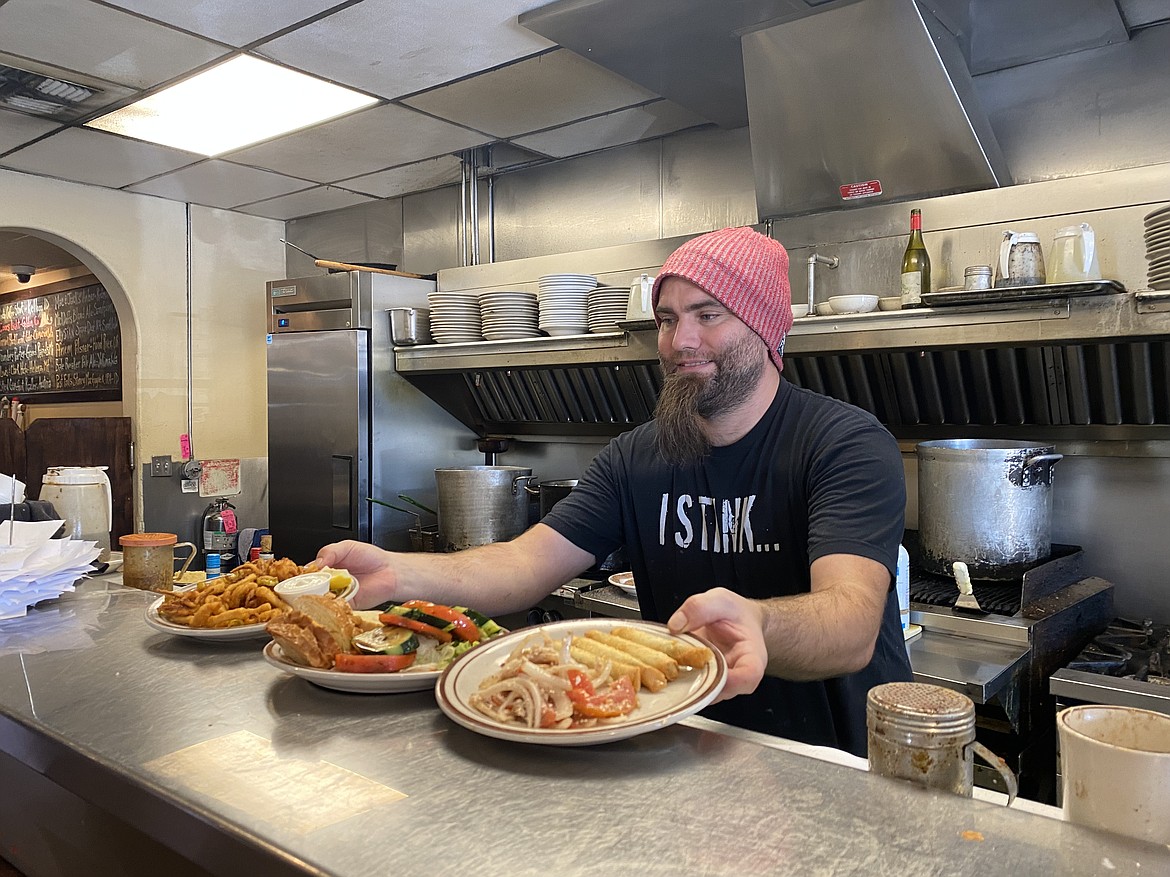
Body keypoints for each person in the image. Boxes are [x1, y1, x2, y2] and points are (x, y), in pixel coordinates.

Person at [317, 226, 912, 756]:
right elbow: (525, 563)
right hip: (684, 743)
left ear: (764, 329)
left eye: (709, 315)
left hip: (831, 762)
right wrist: (401, 576)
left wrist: (760, 623)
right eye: (668, 319)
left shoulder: (844, 444)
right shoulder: (638, 455)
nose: (681, 341)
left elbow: (852, 622)